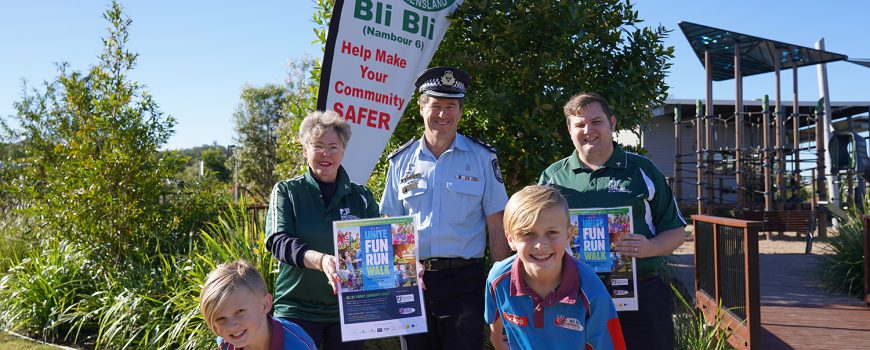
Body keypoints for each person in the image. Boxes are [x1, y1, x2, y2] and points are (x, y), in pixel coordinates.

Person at [538, 92, 687, 350]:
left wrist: (650, 248)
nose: (588, 130)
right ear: (569, 129)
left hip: (641, 293)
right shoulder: (553, 177)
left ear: (612, 123)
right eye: (580, 124)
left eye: (596, 122)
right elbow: (535, 232)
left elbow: (676, 231)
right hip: (573, 295)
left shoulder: (643, 170)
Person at [380, 66, 511, 350]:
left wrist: (501, 283)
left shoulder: (482, 158)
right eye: (436, 105)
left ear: (461, 111)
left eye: (450, 106)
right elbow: (390, 222)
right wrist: (402, 267)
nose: (443, 114)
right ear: (421, 107)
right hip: (413, 280)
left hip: (464, 281)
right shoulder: (400, 161)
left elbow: (496, 222)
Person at [265, 110, 380, 349]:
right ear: (305, 150)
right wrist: (322, 261)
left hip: (349, 311)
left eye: (333, 147)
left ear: (343, 152)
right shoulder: (287, 191)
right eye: (317, 145)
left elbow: (379, 248)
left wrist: (408, 266)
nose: (325, 153)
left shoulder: (362, 197)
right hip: (297, 310)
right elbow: (279, 242)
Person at [485, 185, 625, 350]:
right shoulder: (498, 279)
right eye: (528, 233)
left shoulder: (592, 290)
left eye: (551, 232)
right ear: (510, 239)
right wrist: (497, 341)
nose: (540, 244)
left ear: (568, 235)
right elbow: (495, 318)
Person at [199, 260, 316, 350]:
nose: (231, 326)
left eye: (240, 311)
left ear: (265, 305)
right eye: (220, 318)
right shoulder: (225, 343)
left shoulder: (296, 344)